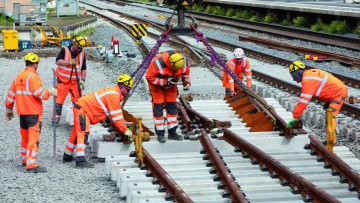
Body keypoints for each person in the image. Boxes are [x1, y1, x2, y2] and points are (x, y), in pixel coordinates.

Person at [62, 74, 134, 168]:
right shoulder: (114, 96)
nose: (128, 92)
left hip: (81, 108)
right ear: (122, 87)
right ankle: (80, 160)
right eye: (128, 89)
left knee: (76, 133)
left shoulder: (113, 92)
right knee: (83, 133)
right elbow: (117, 118)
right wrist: (125, 130)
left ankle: (67, 155)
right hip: (82, 110)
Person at [5, 53, 57, 173]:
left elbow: (11, 95)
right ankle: (32, 164)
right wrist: (51, 91)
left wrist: (9, 109)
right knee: (33, 139)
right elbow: (41, 94)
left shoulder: (18, 76)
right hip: (33, 113)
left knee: (25, 138)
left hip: (22, 114)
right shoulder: (33, 77)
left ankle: (25, 159)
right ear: (35, 64)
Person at [286, 60, 348, 141]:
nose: (294, 80)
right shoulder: (309, 75)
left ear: (296, 74)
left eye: (293, 77)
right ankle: (331, 137)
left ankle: (331, 141)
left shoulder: (308, 80)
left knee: (330, 115)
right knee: (328, 113)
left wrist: (294, 117)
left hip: (338, 94)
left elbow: (304, 101)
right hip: (335, 93)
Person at [146, 50, 191, 143]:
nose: (175, 71)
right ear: (170, 63)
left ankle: (172, 132)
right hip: (156, 86)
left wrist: (186, 82)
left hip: (171, 85)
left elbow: (186, 74)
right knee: (158, 107)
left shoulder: (184, 62)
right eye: (174, 68)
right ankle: (160, 133)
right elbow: (150, 77)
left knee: (172, 106)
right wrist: (166, 82)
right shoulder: (157, 63)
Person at [52, 36, 87, 125]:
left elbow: (83, 68)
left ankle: (78, 119)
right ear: (74, 44)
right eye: (78, 47)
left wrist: (83, 80)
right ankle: (55, 119)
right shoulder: (65, 50)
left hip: (75, 82)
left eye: (80, 48)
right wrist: (69, 62)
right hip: (63, 81)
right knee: (59, 101)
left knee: (78, 101)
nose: (79, 49)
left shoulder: (82, 54)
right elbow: (58, 61)